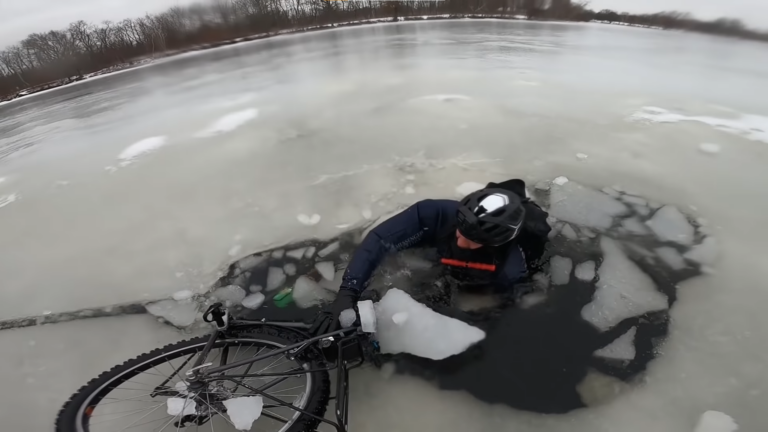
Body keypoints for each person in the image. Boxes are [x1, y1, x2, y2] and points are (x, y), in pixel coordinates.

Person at [309, 179, 552, 336]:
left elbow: (500, 311)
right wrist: (347, 293)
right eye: (459, 229)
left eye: (470, 240)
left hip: (473, 277)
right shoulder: (432, 212)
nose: (460, 239)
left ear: (493, 243)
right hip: (437, 255)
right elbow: (379, 240)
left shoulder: (510, 269)